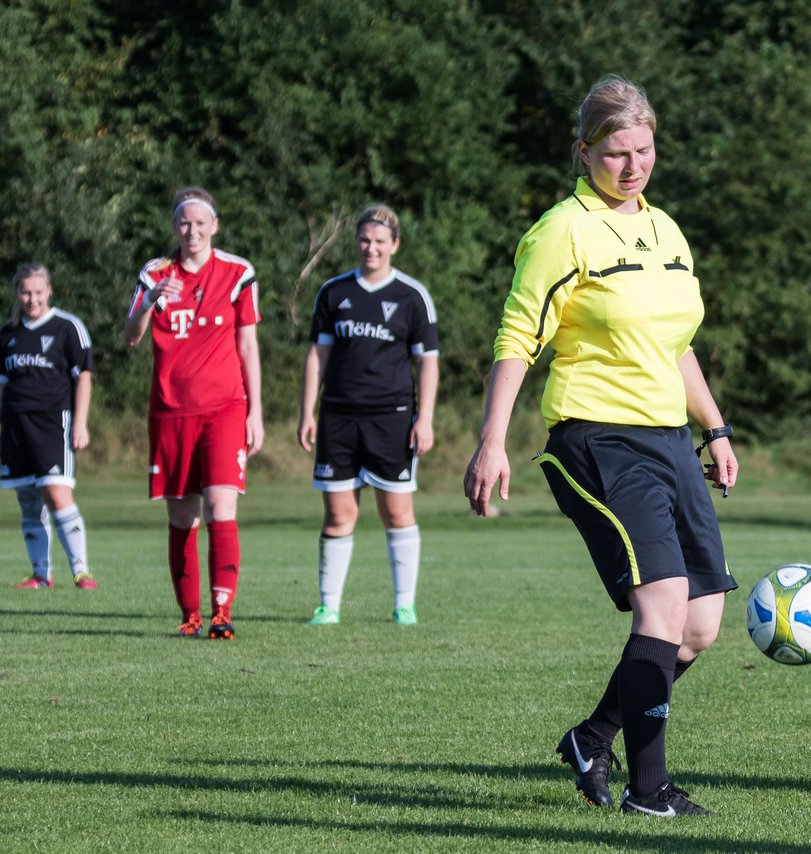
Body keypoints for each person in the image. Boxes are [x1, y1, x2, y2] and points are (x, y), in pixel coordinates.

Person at [463, 75, 738, 817]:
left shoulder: (666, 230)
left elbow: (673, 343)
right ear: (583, 152)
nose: (632, 166)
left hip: (670, 438)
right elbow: (518, 337)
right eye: (615, 152)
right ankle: (650, 793)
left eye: (643, 150)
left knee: (701, 623)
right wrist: (491, 440)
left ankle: (593, 737)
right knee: (662, 607)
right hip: (597, 438)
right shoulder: (563, 230)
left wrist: (713, 427)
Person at [124, 187, 264, 639]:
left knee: (222, 506)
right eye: (185, 223)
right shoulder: (154, 273)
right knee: (183, 516)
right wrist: (148, 302)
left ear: (214, 226)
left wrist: (255, 411)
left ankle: (222, 612)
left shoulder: (238, 272)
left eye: (201, 223)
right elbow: (130, 336)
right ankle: (190, 616)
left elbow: (247, 344)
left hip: (225, 407)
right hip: (170, 411)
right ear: (175, 227)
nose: (192, 231)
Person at [296, 205, 439, 626]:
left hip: (392, 419)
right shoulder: (334, 292)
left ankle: (404, 605)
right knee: (339, 514)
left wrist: (425, 417)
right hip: (338, 417)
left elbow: (427, 361)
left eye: (379, 241)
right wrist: (307, 411)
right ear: (355, 242)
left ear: (394, 245)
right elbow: (317, 355)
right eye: (364, 240)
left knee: (396, 512)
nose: (370, 248)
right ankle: (328, 606)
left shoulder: (412, 296)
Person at [1, 263, 96, 590]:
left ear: (49, 290)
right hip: (15, 425)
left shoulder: (68, 327)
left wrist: (80, 423)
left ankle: (81, 572)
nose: (32, 299)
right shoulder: (7, 334)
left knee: (57, 494)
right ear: (17, 292)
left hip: (54, 422)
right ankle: (41, 575)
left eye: (38, 292)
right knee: (28, 498)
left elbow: (83, 376)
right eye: (26, 292)